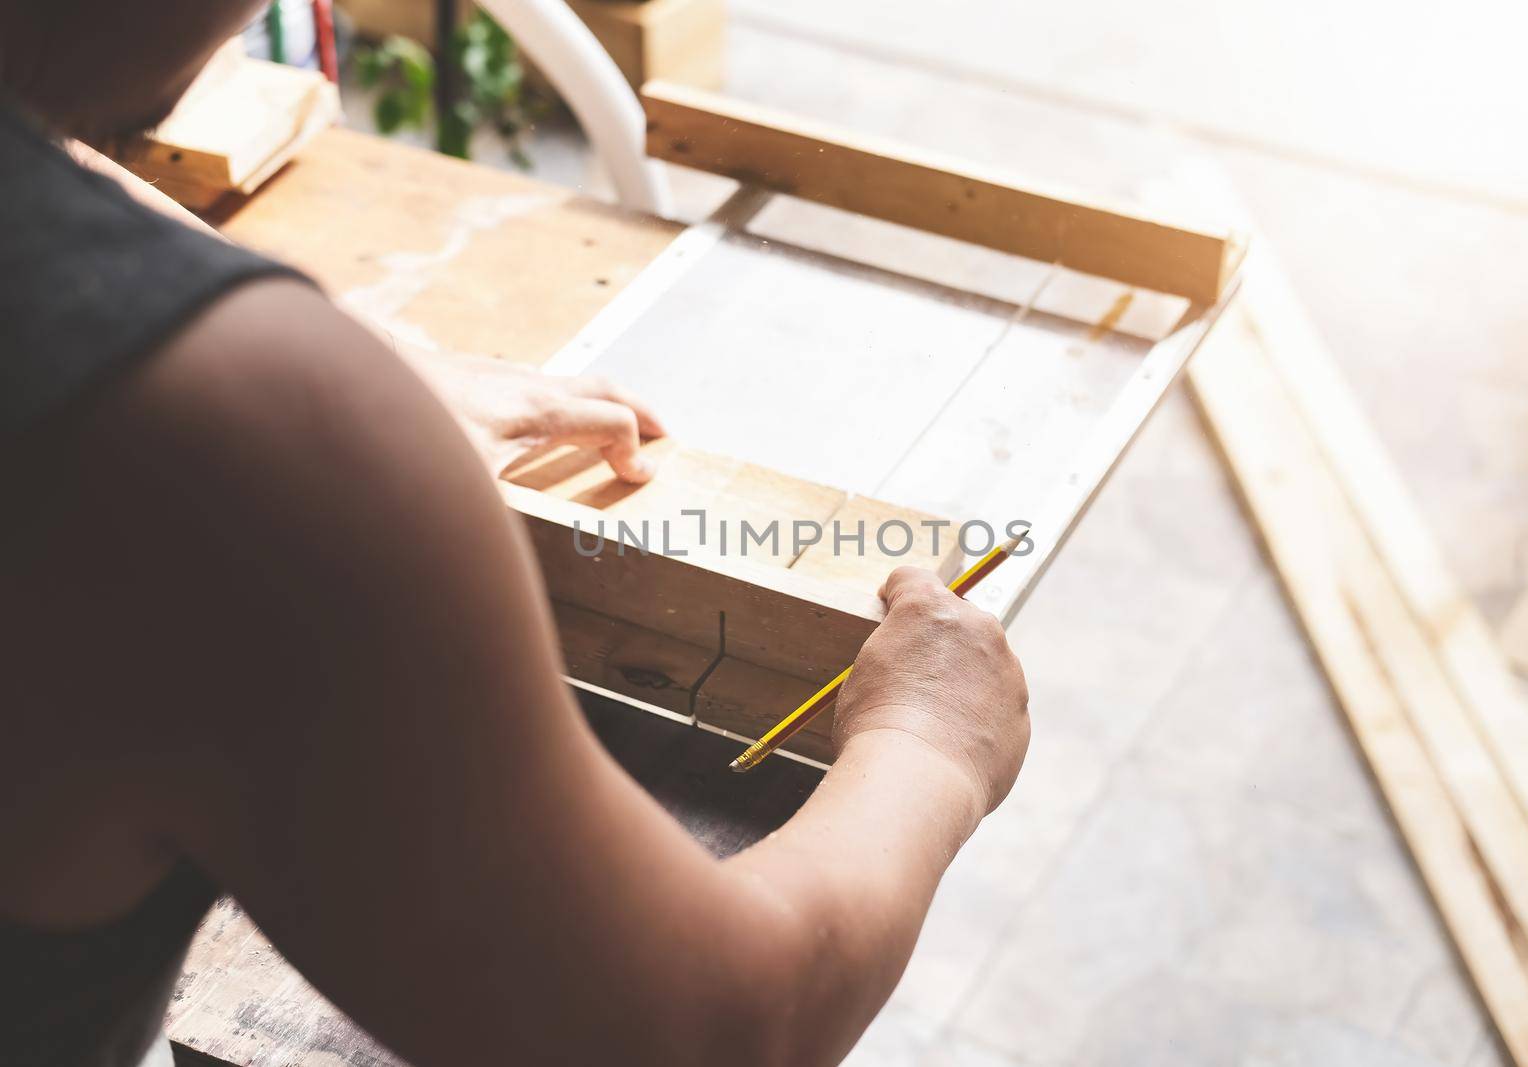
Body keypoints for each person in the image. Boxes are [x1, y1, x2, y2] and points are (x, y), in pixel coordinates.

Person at [0, 2, 1032, 1065]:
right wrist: (931, 743)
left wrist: (329, 337)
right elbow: (707, 1029)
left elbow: (43, 149)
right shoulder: (203, 441)